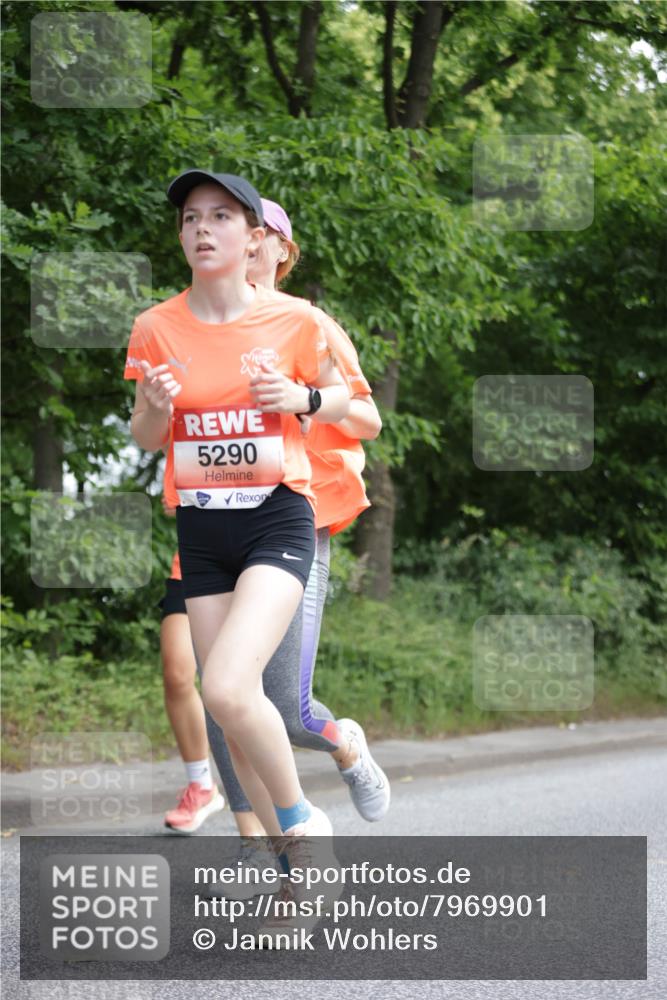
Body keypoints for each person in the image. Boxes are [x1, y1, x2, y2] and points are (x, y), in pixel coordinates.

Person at [154, 196, 390, 850]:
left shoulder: (302, 323)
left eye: (259, 237)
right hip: (208, 522)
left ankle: (340, 743)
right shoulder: (186, 324)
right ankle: (264, 851)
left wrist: (303, 403)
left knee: (278, 705)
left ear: (278, 249)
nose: (247, 248)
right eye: (224, 229)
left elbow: (365, 418)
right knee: (221, 695)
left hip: (298, 515)